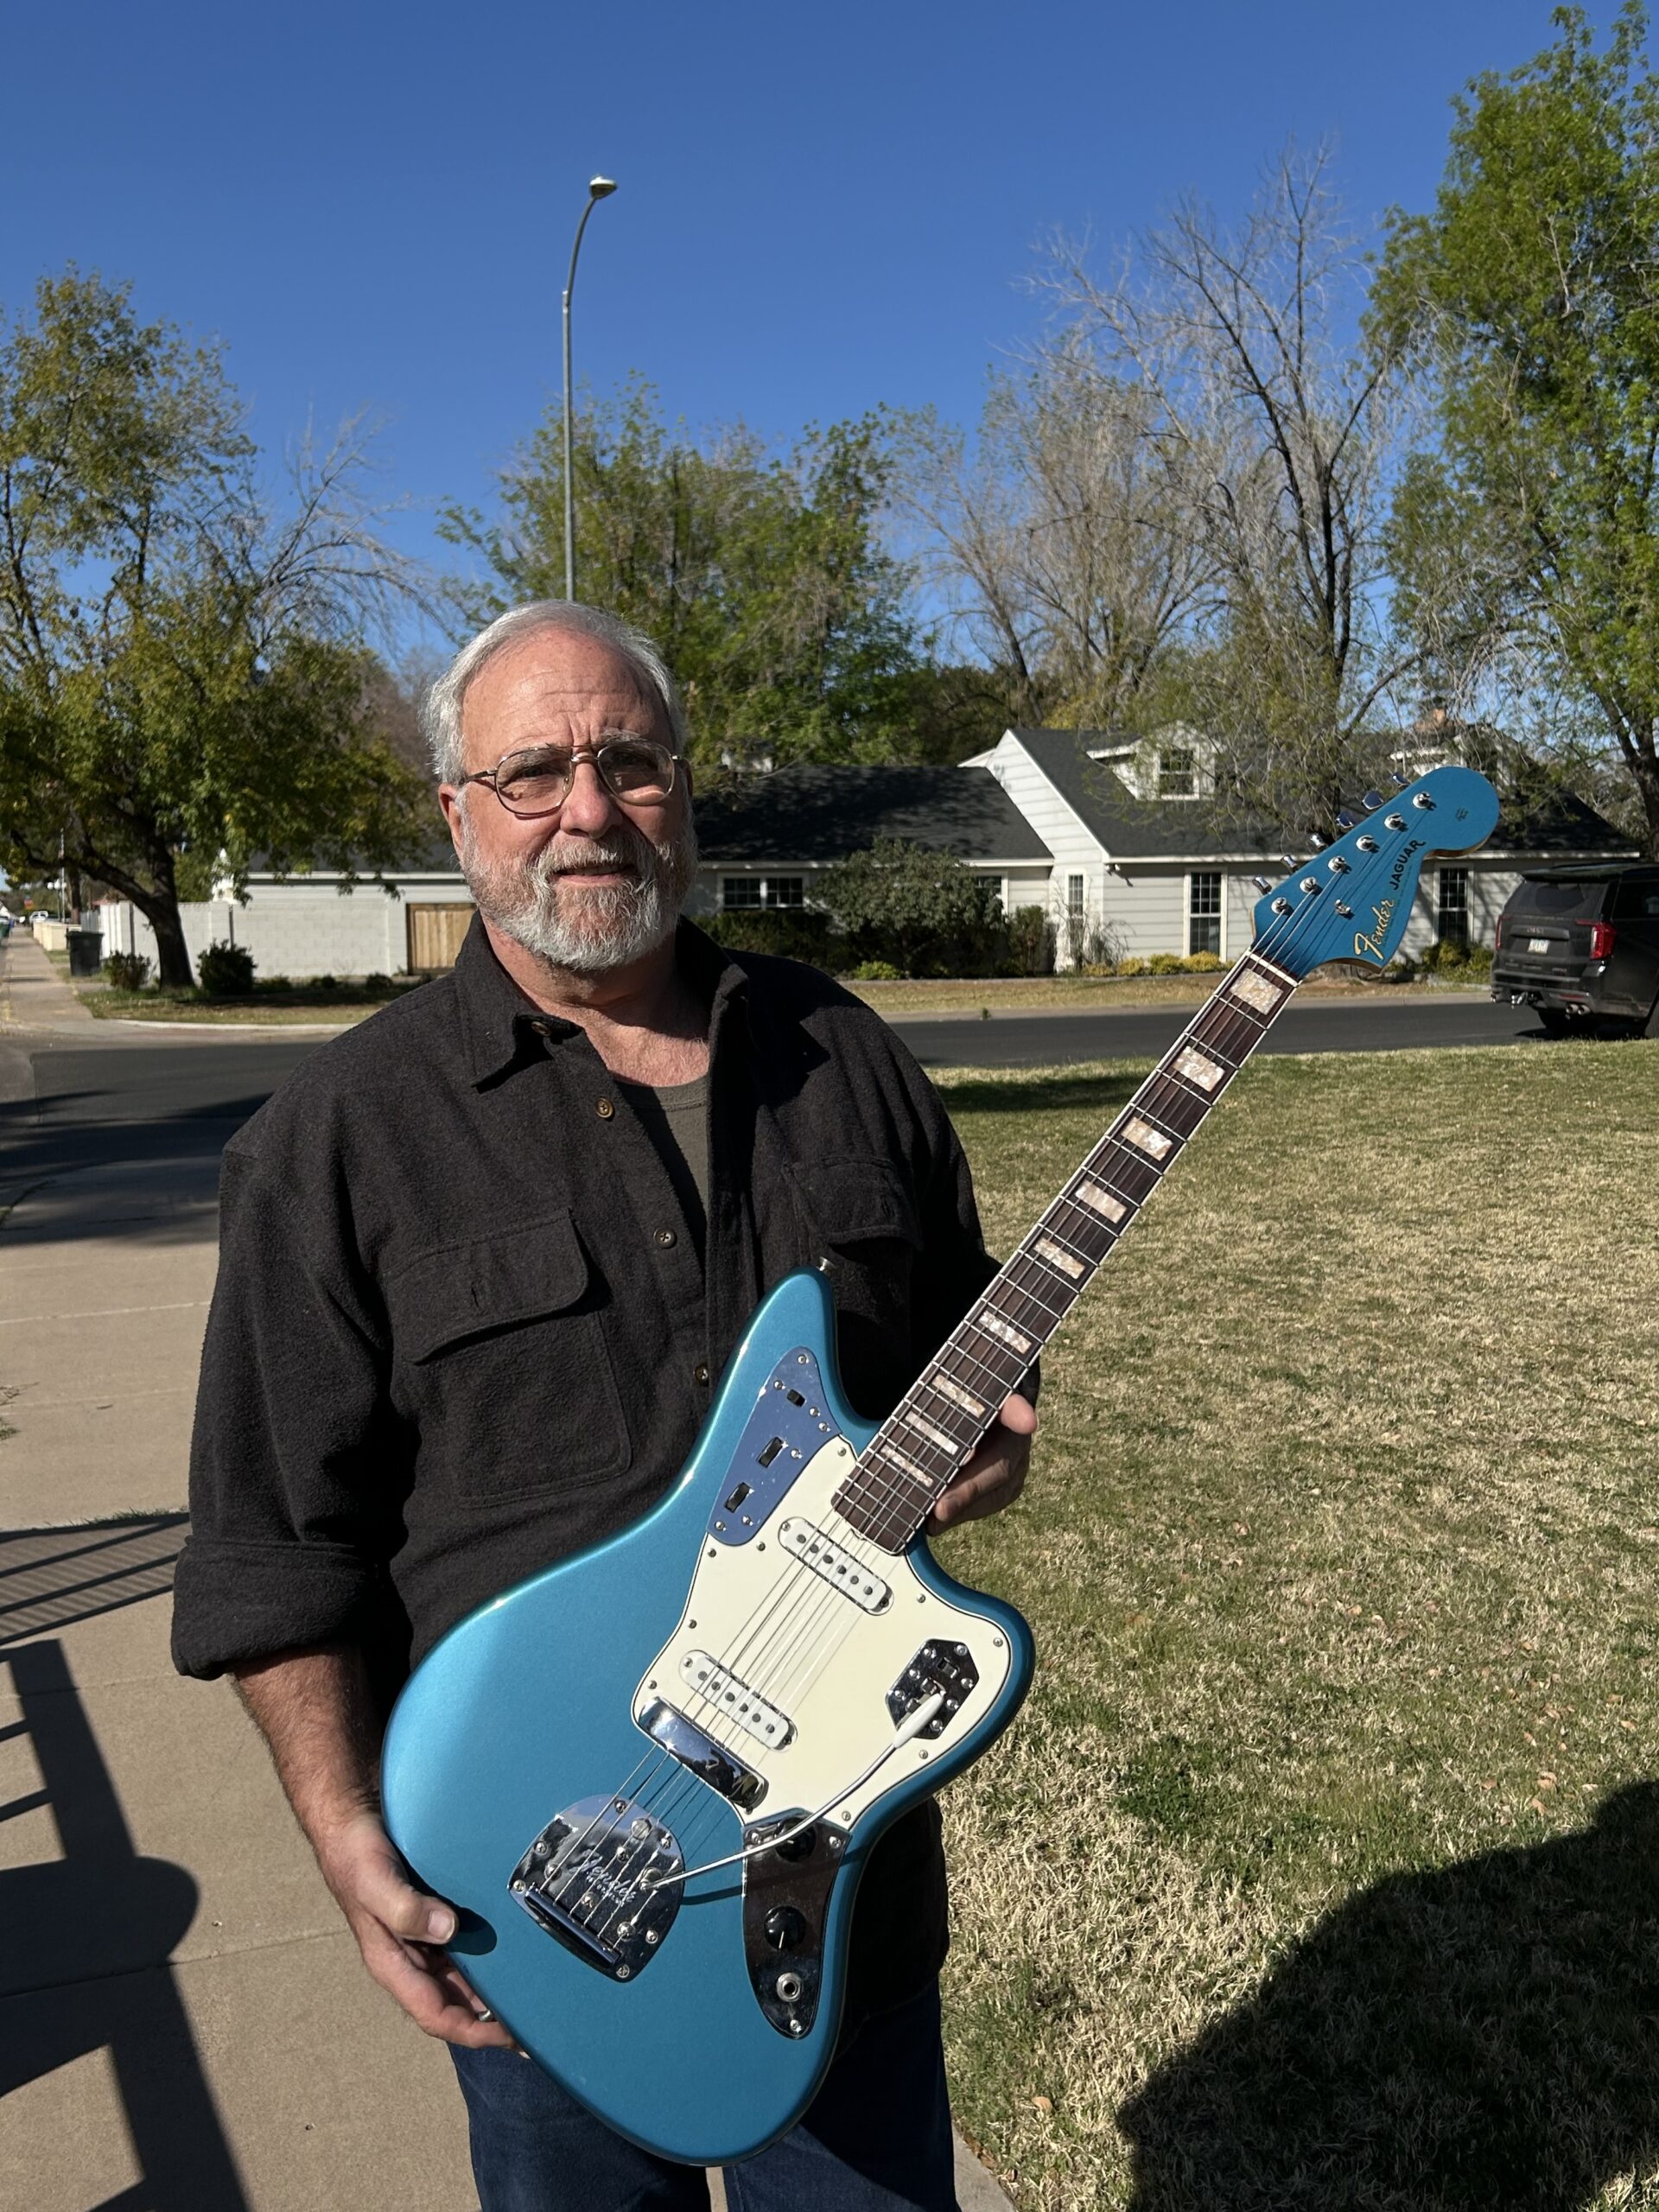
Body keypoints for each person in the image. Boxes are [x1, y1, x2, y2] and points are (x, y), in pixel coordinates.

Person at [172, 601, 1036, 2212]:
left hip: (829, 1884)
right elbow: (272, 1545)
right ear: (458, 812)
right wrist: (348, 1836)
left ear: (685, 790)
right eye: (533, 772)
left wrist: (970, 1460)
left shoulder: (845, 1057)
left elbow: (963, 1354)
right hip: (539, 1900)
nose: (588, 809)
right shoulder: (336, 1139)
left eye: (628, 761)